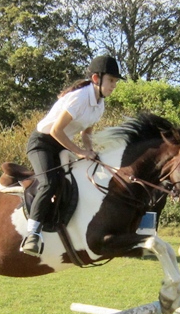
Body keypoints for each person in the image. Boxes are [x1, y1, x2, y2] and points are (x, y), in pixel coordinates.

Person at [20, 54, 124, 256]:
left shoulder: (100, 104)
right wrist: (80, 152)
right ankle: (32, 235)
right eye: (111, 80)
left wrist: (90, 150)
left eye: (115, 82)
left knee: (77, 181)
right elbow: (55, 131)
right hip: (42, 143)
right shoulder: (80, 98)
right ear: (96, 78)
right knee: (48, 183)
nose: (114, 85)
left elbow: (86, 133)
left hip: (61, 145)